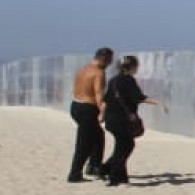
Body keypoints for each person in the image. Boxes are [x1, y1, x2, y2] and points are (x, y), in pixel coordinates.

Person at [100, 55, 158, 187]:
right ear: (131, 67)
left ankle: (119, 176)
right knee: (126, 147)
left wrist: (102, 115)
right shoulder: (128, 80)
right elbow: (137, 97)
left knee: (122, 146)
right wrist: (157, 102)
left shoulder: (113, 80)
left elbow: (106, 100)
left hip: (111, 118)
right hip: (122, 120)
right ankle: (111, 174)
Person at [67, 47, 113, 183]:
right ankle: (74, 174)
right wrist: (102, 112)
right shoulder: (99, 72)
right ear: (105, 59)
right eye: (109, 61)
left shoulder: (83, 69)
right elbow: (98, 94)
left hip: (75, 105)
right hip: (88, 108)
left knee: (98, 136)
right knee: (84, 143)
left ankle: (93, 166)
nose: (110, 64)